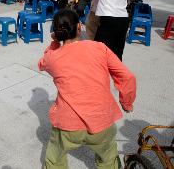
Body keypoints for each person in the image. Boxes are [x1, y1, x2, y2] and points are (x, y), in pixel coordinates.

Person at [39, 9, 136, 169]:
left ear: (56, 33)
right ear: (79, 27)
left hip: (68, 125)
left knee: (54, 158)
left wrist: (55, 43)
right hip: (102, 121)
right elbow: (127, 77)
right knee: (108, 158)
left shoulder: (52, 58)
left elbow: (42, 63)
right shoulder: (100, 48)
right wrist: (126, 102)